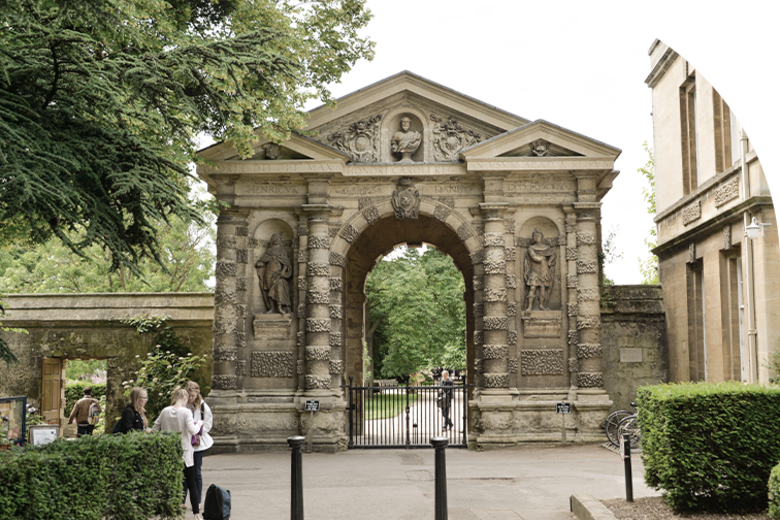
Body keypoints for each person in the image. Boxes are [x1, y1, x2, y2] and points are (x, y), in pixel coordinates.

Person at [154, 388, 204, 520]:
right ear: (185, 398)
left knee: (169, 484)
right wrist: (199, 423)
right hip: (185, 453)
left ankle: (167, 513)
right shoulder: (186, 412)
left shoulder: (165, 411)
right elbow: (193, 430)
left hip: (169, 453)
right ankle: (196, 514)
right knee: (191, 483)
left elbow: (155, 428)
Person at [183, 381, 213, 510]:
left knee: (196, 473)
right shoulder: (182, 405)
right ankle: (182, 500)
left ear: (197, 394)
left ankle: (198, 501)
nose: (190, 398)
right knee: (184, 472)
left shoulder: (203, 406)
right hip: (184, 441)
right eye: (189, 395)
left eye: (193, 396)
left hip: (197, 443)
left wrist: (197, 431)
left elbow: (208, 423)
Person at [255, 232, 292, 314]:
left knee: (278, 289)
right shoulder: (269, 251)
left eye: (277, 238)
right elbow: (263, 260)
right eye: (274, 238)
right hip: (268, 273)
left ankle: (279, 308)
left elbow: (286, 263)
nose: (276, 240)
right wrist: (260, 263)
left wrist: (283, 271)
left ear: (280, 240)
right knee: (269, 290)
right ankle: (271, 308)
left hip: (278, 274)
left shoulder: (282, 250)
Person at [523, 230, 557, 311]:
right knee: (532, 287)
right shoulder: (531, 248)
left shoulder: (546, 248)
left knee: (542, 288)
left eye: (538, 236)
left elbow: (553, 254)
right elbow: (534, 257)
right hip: (534, 269)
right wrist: (540, 258)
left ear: (541, 237)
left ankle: (541, 305)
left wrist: (549, 262)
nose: (536, 237)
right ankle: (530, 306)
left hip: (544, 269)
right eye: (535, 236)